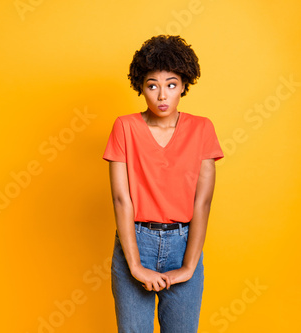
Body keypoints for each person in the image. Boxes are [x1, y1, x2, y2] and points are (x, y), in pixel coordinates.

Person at [103, 35, 224, 333]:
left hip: (184, 243)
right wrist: (135, 265)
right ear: (140, 87)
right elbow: (121, 199)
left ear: (184, 85)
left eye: (171, 84)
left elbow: (202, 202)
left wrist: (188, 266)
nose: (162, 95)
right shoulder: (125, 127)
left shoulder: (202, 128)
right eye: (152, 85)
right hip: (136, 240)